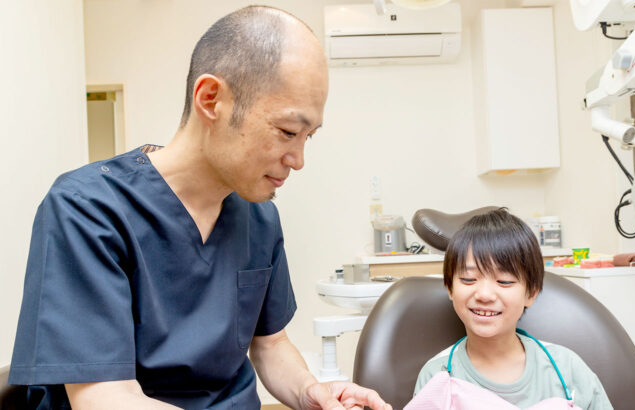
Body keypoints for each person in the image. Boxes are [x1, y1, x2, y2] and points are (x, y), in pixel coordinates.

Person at [9, 6, 391, 410]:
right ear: (211, 99)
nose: (298, 160)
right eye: (287, 131)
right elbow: (104, 398)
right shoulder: (88, 210)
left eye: (307, 137)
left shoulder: (259, 217)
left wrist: (310, 392)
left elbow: (271, 344)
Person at [411, 209, 613, 409]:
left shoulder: (567, 369)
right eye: (468, 279)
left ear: (531, 293)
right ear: (450, 288)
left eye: (504, 281)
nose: (484, 295)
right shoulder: (436, 377)